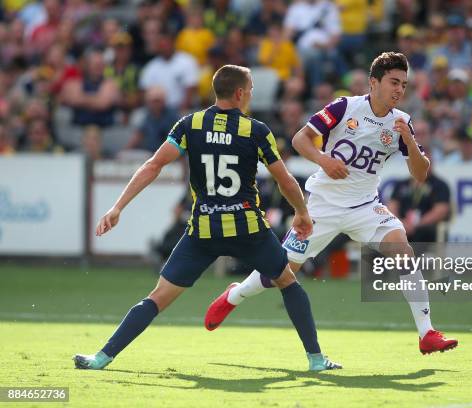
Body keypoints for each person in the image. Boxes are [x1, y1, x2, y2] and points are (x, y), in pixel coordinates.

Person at [73, 65, 341, 372]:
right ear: (240, 93)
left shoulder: (190, 124)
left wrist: (118, 206)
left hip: (204, 229)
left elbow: (152, 165)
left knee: (157, 297)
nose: (251, 94)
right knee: (288, 283)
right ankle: (316, 360)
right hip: (247, 228)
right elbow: (285, 181)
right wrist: (302, 213)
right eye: (250, 89)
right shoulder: (256, 130)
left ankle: (101, 358)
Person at [205, 52, 458, 355]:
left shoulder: (401, 123)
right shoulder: (344, 107)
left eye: (404, 85)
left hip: (365, 206)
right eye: (394, 82)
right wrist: (324, 160)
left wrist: (412, 143)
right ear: (373, 82)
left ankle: (426, 333)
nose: (399, 90)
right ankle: (235, 295)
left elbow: (420, 174)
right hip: (323, 205)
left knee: (402, 250)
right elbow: (301, 139)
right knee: (281, 273)